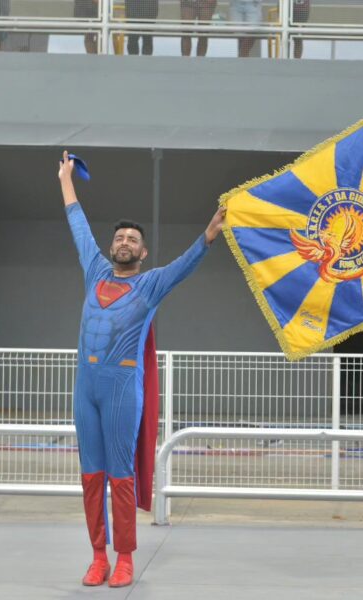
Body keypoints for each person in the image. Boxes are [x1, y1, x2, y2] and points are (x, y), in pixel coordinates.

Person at [58, 151, 226, 587]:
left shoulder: (150, 284)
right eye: (121, 238)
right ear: (112, 246)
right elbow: (78, 225)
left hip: (119, 392)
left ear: (143, 250)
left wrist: (207, 237)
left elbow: (183, 268)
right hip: (85, 390)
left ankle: (126, 557)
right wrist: (66, 179)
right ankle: (99, 555)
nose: (125, 242)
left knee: (120, 474)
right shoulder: (94, 269)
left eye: (133, 239)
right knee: (91, 476)